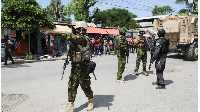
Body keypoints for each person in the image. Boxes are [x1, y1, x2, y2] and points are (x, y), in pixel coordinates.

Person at [59, 21, 95, 112]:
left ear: (82, 29)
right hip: (75, 66)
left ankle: (91, 101)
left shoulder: (82, 38)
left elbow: (69, 37)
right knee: (71, 86)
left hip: (83, 67)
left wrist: (54, 32)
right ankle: (70, 106)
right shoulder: (77, 39)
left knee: (85, 85)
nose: (77, 31)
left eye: (78, 29)